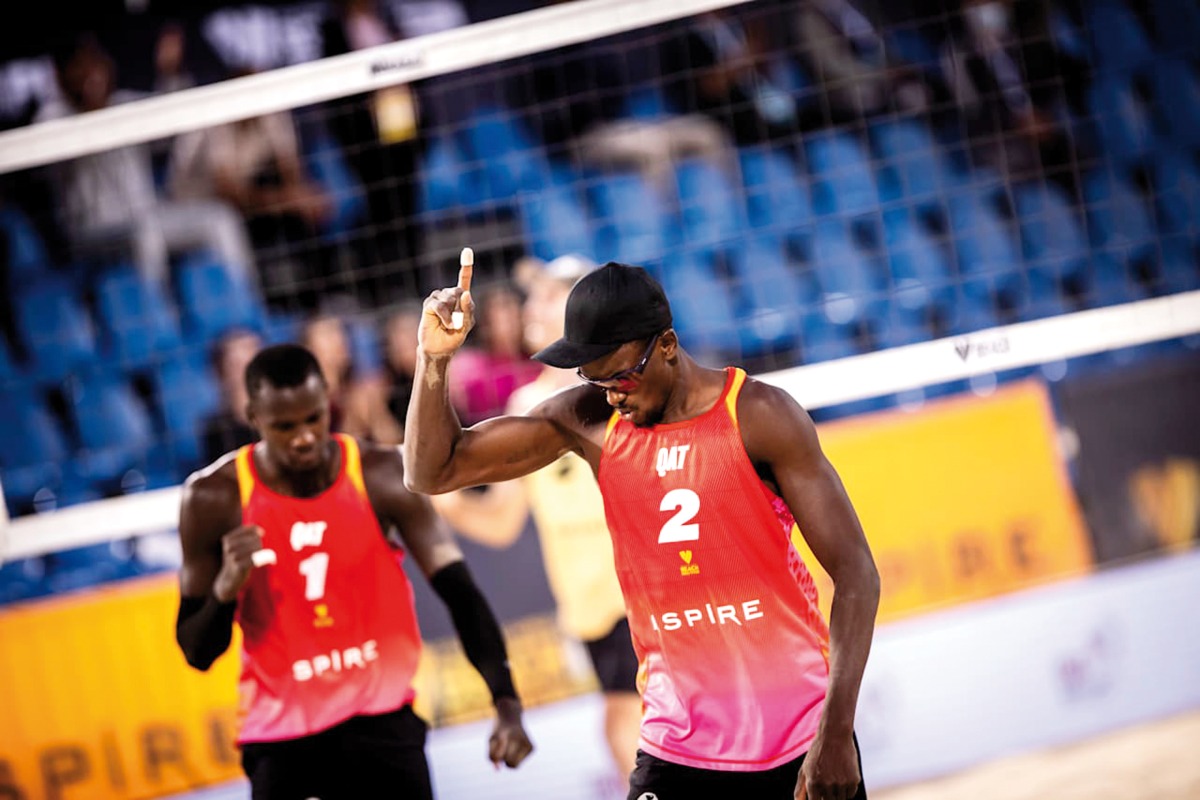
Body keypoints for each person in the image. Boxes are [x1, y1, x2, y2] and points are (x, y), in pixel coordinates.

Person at [405, 254, 880, 799]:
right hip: (674, 746)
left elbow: (857, 575)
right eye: (595, 378)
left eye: (622, 375)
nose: (612, 393)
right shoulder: (588, 420)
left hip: (798, 738)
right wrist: (433, 359)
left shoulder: (760, 414)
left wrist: (837, 731)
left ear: (669, 346)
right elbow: (431, 471)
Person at [175, 343, 533, 799]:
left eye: (313, 418)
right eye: (285, 427)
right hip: (285, 741)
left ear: (329, 400)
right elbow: (196, 652)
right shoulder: (213, 499)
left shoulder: (382, 473)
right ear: (252, 416)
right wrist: (226, 590)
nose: (304, 437)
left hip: (384, 724)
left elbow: (460, 593)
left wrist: (506, 702)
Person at [429, 255, 641, 788]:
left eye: (548, 296)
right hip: (590, 600)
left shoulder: (623, 388)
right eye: (535, 296)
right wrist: (443, 499)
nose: (531, 307)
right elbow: (502, 522)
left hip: (639, 585)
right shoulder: (528, 404)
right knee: (626, 718)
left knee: (636, 717)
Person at [200, 327, 264, 465]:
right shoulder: (216, 430)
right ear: (222, 372)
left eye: (252, 361)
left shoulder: (285, 416)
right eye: (237, 365)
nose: (247, 373)